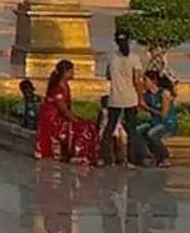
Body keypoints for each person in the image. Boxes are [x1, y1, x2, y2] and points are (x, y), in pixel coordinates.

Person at [34, 59, 97, 166]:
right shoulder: (58, 88)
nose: (73, 73)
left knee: (89, 126)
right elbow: (64, 110)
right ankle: (79, 156)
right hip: (53, 121)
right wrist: (77, 121)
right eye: (72, 71)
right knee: (83, 129)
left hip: (60, 118)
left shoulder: (64, 86)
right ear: (65, 73)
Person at [99, 31, 140, 166]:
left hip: (115, 98)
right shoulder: (134, 58)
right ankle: (132, 160)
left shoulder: (111, 57)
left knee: (109, 128)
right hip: (131, 98)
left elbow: (108, 76)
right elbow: (137, 80)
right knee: (132, 129)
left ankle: (105, 158)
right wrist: (141, 98)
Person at [131, 70, 178, 167]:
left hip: (166, 123)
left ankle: (165, 156)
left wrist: (148, 108)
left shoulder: (164, 94)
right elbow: (141, 108)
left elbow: (163, 114)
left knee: (151, 134)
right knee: (137, 131)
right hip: (154, 122)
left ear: (154, 81)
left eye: (145, 80)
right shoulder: (147, 94)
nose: (144, 82)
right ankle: (146, 156)